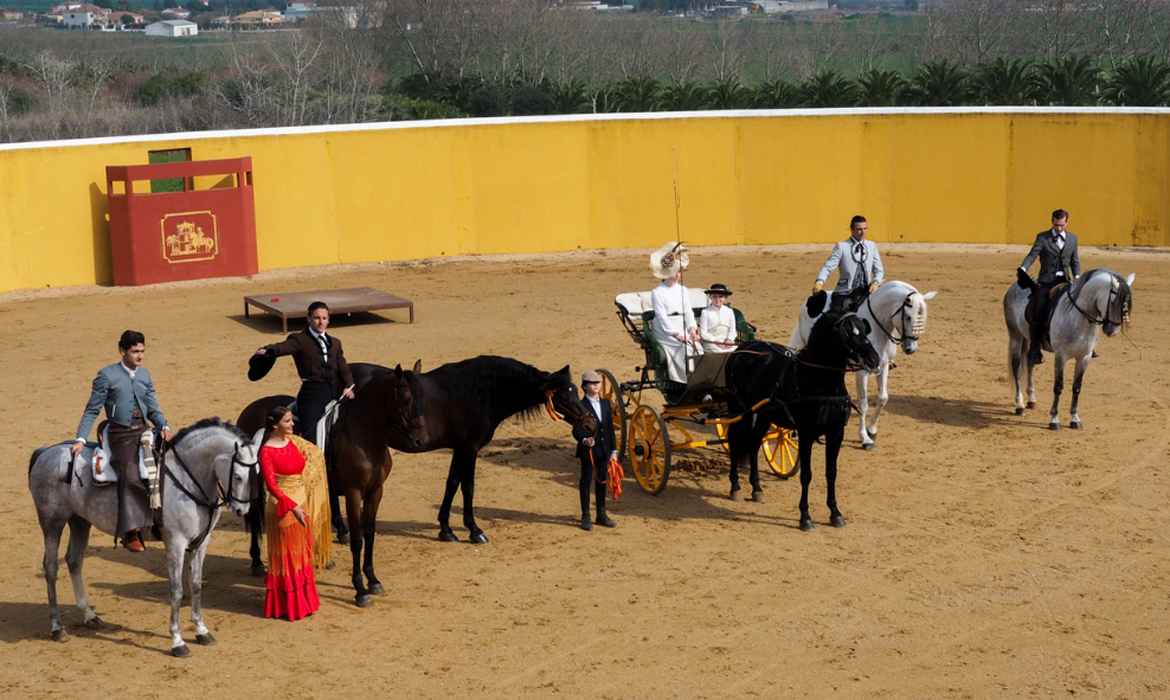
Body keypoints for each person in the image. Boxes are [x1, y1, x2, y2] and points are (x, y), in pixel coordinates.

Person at [71, 330, 173, 552]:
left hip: (144, 430)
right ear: (122, 351)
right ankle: (131, 531)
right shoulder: (107, 375)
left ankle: (162, 519)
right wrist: (80, 438)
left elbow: (153, 409)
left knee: (171, 463)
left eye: (142, 351)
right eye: (135, 351)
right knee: (130, 471)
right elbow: (92, 409)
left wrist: (164, 426)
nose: (140, 356)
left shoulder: (145, 375)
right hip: (120, 434)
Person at [254, 301, 355, 445]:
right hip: (312, 396)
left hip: (336, 392)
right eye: (317, 318)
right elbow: (283, 347)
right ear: (309, 318)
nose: (321, 322)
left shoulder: (335, 343)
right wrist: (267, 350)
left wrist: (349, 386)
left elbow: (343, 368)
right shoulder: (300, 339)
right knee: (311, 438)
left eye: (324, 318)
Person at [259, 405, 322, 621]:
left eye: (291, 420)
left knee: (300, 554)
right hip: (283, 509)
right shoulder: (266, 451)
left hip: (300, 504)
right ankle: (289, 606)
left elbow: (312, 455)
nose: (292, 424)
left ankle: (305, 602)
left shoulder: (294, 441)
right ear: (275, 426)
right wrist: (293, 507)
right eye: (287, 421)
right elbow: (271, 487)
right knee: (287, 557)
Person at [1018, 208, 1081, 365]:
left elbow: (1075, 261)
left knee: (1082, 306)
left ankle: (1085, 345)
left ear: (1066, 222)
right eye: (1056, 225)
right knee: (1037, 310)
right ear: (1052, 221)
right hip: (1046, 282)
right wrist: (1023, 268)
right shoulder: (1042, 237)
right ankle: (1034, 349)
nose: (1058, 228)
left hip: (1066, 281)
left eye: (1061, 225)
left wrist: (1078, 277)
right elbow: (1033, 255)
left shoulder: (1072, 239)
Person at [649, 242, 702, 383]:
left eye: (679, 272)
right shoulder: (657, 292)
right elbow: (661, 317)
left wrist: (692, 330)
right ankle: (686, 380)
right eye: (674, 273)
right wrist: (676, 334)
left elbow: (688, 312)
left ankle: (700, 379)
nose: (677, 275)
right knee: (684, 348)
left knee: (698, 347)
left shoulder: (683, 289)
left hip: (682, 324)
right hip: (664, 329)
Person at [573, 371, 619, 531]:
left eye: (598, 383)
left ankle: (601, 514)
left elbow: (609, 429)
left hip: (604, 449)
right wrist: (585, 440)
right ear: (585, 386)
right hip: (589, 451)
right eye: (593, 383)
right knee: (586, 481)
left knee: (601, 480)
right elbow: (576, 431)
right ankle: (586, 516)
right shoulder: (580, 405)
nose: (597, 385)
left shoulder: (606, 404)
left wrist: (614, 450)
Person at [812, 215, 885, 311]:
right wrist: (819, 282)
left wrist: (876, 282)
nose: (863, 232)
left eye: (865, 229)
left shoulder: (872, 246)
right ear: (851, 229)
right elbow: (828, 267)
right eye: (859, 229)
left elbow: (879, 270)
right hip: (845, 292)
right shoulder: (842, 247)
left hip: (867, 291)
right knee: (835, 316)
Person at [699, 283, 737, 353]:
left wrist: (729, 340)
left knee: (738, 351)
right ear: (710, 297)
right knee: (720, 352)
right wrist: (716, 341)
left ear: (725, 298)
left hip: (727, 342)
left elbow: (733, 330)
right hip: (711, 342)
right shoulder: (705, 312)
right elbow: (703, 333)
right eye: (715, 296)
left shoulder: (729, 311)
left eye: (721, 297)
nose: (717, 299)